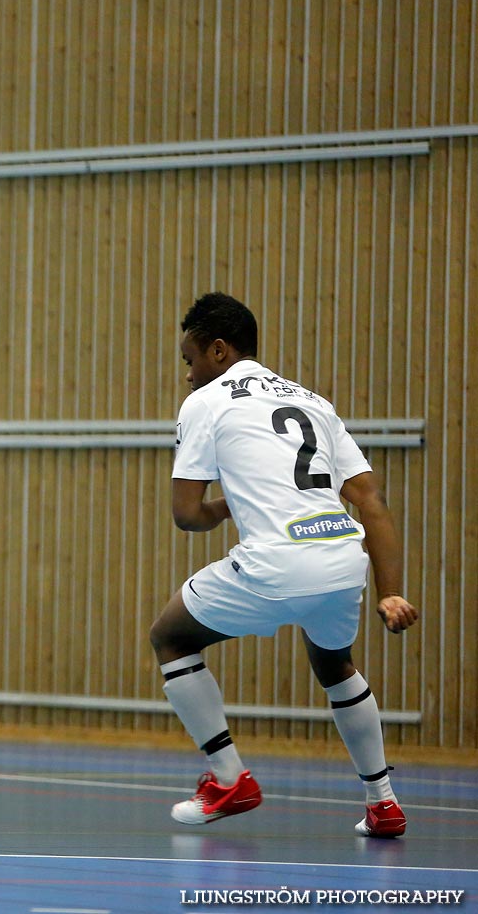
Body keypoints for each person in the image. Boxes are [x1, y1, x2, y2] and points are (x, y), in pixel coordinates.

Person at [149, 292, 418, 837]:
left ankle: (229, 778)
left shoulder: (206, 402)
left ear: (219, 351)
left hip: (275, 563)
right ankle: (383, 802)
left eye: (190, 359)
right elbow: (371, 502)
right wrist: (390, 591)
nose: (187, 374)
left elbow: (186, 516)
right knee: (335, 665)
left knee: (171, 637)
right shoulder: (312, 400)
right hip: (344, 560)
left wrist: (223, 507)